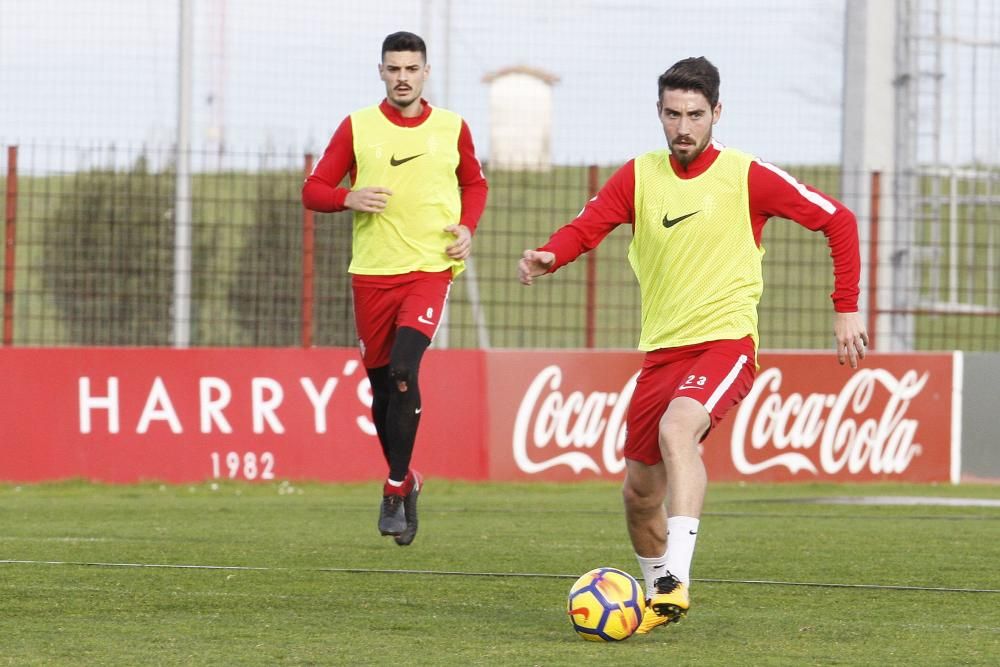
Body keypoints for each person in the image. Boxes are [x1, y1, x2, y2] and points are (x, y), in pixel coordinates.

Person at [518, 57, 867, 631]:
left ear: (716, 114)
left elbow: (839, 219)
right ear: (659, 112)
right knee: (637, 496)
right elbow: (588, 225)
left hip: (725, 343)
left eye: (696, 115)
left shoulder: (746, 175)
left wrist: (846, 307)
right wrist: (551, 254)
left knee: (678, 429)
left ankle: (677, 575)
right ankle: (658, 596)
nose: (684, 127)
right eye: (673, 114)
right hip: (661, 353)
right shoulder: (638, 176)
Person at [302, 31, 488, 546]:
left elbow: (475, 183)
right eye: (394, 68)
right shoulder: (358, 127)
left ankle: (391, 487)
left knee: (405, 370)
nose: (403, 77)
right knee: (382, 388)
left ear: (426, 73)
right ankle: (408, 480)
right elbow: (312, 190)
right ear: (381, 72)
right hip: (372, 275)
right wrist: (348, 198)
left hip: (429, 269)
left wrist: (468, 226)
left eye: (411, 68)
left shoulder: (452, 128)